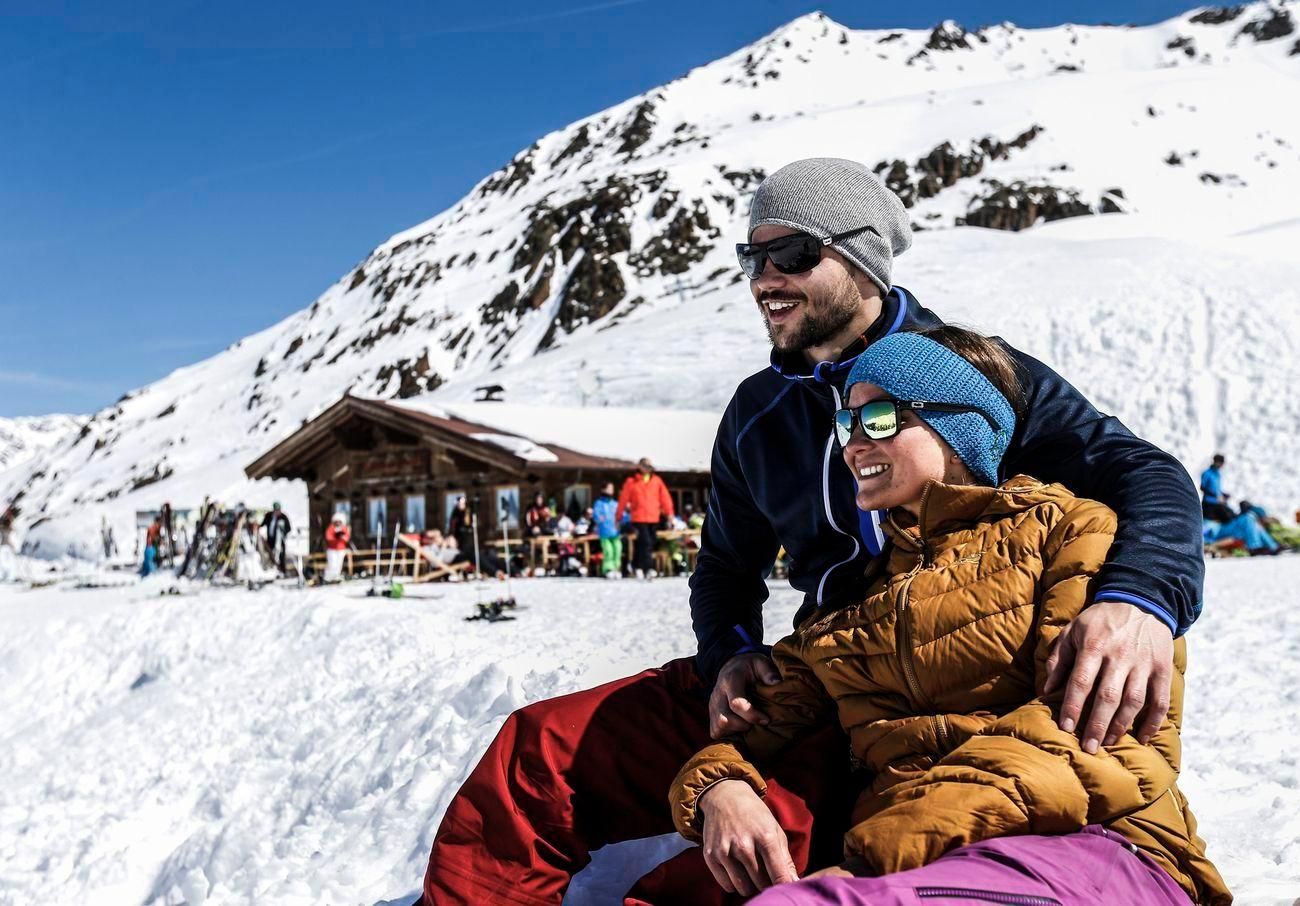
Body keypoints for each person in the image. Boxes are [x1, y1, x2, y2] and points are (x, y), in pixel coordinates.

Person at [418, 159, 1205, 905]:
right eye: (751, 258)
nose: (765, 279)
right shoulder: (760, 413)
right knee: (542, 753)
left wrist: (1141, 598)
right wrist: (728, 659)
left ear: (861, 259)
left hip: (942, 682)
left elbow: (1141, 472)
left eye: (791, 252)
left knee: (758, 869)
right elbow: (726, 566)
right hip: (813, 669)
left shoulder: (958, 375)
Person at [669, 327, 1228, 906]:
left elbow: (1105, 743)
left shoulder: (1071, 535)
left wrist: (886, 846)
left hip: (1097, 847)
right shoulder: (854, 608)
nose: (853, 443)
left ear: (962, 420)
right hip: (917, 864)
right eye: (847, 424)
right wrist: (720, 786)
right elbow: (757, 726)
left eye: (880, 418)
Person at [617, 457, 675, 579]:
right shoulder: (631, 482)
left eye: (649, 466)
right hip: (638, 518)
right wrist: (618, 516)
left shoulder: (657, 481)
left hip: (653, 517)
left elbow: (665, 498)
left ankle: (635, 565)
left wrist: (669, 514)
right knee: (646, 542)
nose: (647, 468)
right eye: (644, 465)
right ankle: (648, 569)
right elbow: (623, 500)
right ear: (639, 467)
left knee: (647, 543)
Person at [592, 481, 623, 579]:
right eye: (609, 488)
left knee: (618, 548)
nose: (611, 490)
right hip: (604, 532)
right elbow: (596, 514)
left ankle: (616, 567)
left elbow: (621, 515)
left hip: (615, 531)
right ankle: (608, 569)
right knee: (608, 550)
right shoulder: (599, 503)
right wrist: (598, 518)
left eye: (612, 488)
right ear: (603, 489)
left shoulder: (615, 503)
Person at [1200, 454, 1234, 523]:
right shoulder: (1207, 473)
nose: (1221, 466)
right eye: (1221, 463)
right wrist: (1215, 495)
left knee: (1230, 516)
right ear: (1216, 462)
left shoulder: (1218, 474)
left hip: (1217, 503)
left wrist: (1223, 494)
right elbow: (1202, 487)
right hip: (1208, 504)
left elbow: (1216, 490)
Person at [261, 502, 292, 574]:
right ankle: (271, 569)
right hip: (270, 539)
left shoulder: (283, 517)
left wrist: (283, 531)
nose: (277, 512)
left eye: (278, 510)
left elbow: (288, 528)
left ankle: (283, 571)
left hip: (280, 540)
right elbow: (262, 524)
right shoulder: (269, 516)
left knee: (281, 555)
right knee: (270, 554)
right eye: (276, 510)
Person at [323, 512, 350, 582]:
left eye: (339, 521)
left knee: (339, 564)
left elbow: (347, 538)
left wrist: (341, 537)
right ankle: (329, 577)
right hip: (332, 549)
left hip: (341, 549)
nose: (338, 523)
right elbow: (328, 537)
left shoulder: (344, 528)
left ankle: (336, 576)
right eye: (336, 521)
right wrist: (335, 537)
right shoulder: (331, 528)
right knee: (332, 563)